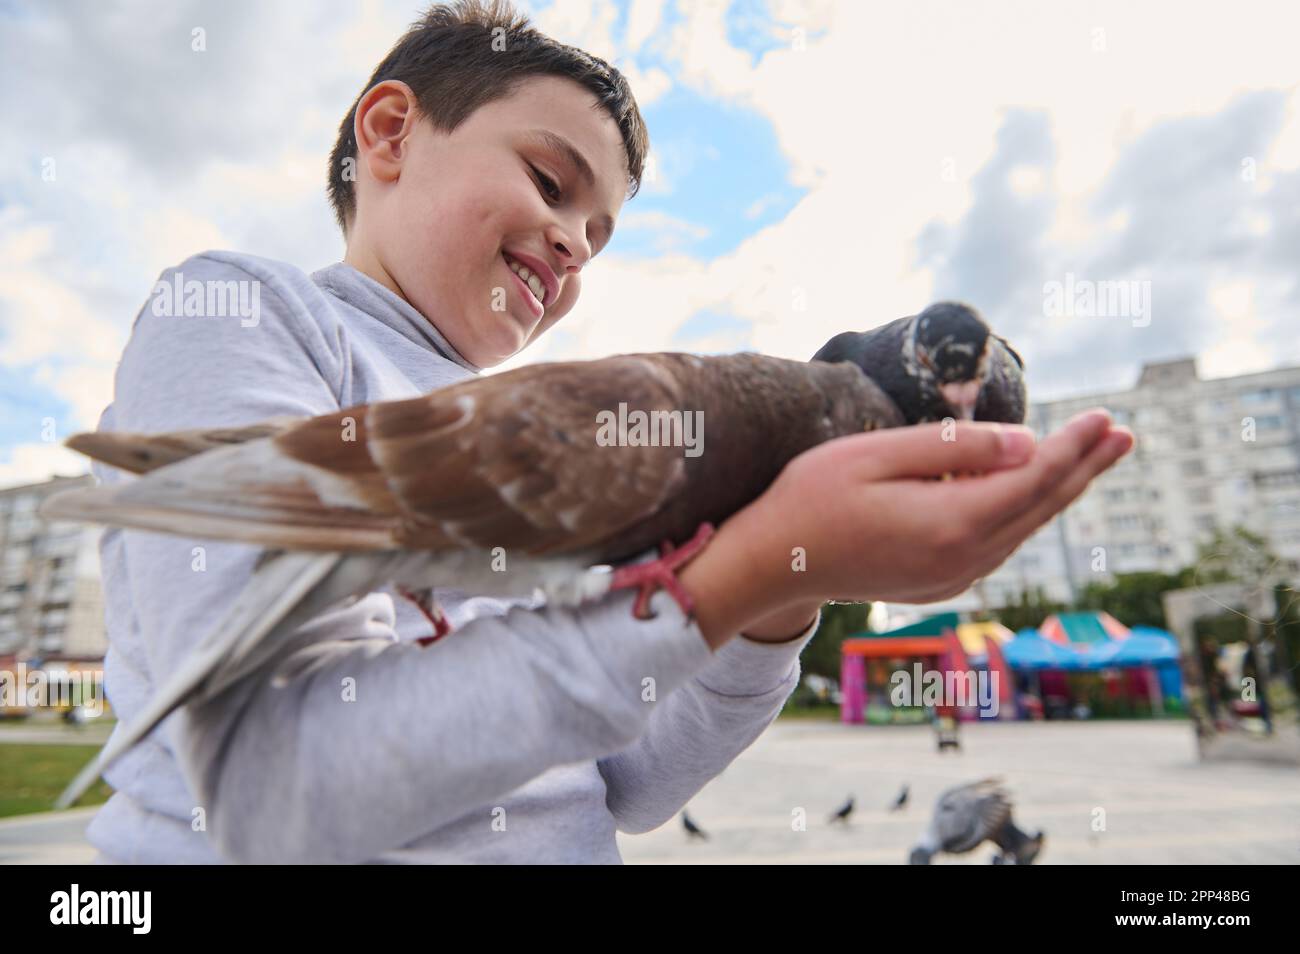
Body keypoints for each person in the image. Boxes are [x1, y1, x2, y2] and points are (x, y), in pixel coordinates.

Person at [86, 0, 1134, 863]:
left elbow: (632, 782)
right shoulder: (248, 314)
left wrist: (790, 578)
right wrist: (725, 577)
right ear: (391, 133)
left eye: (598, 236)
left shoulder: (572, 429)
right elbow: (280, 791)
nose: (572, 244)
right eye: (551, 183)